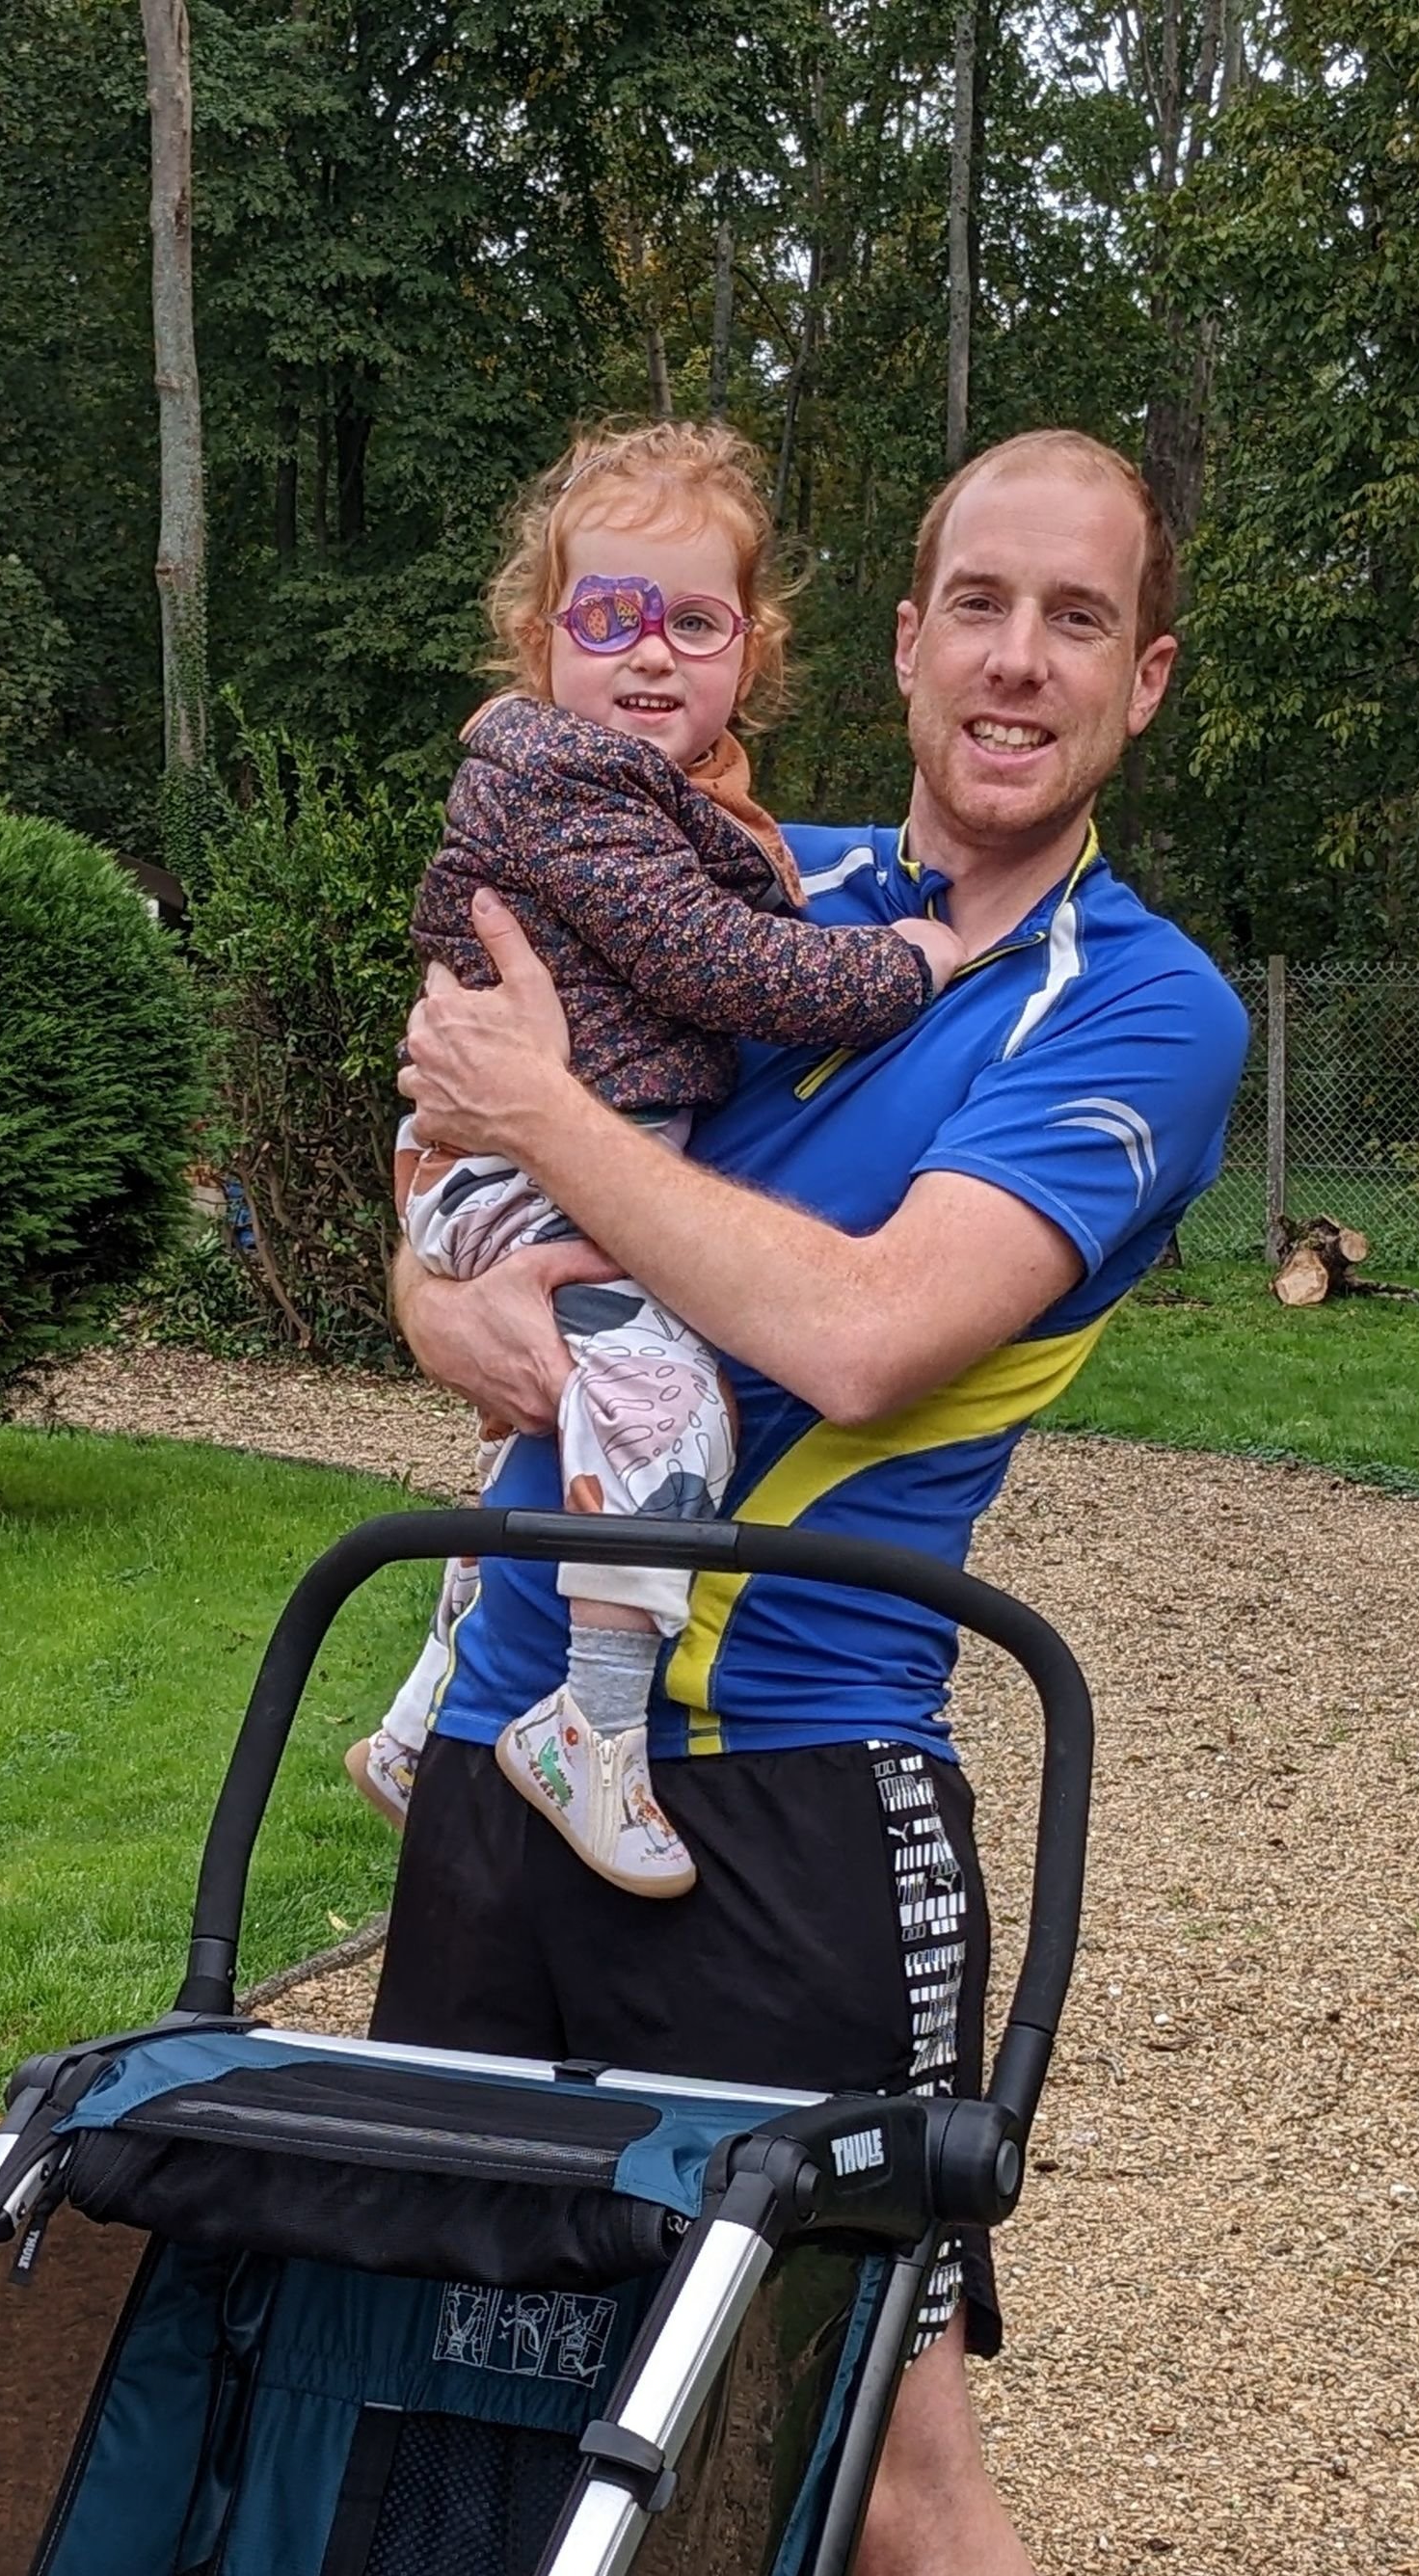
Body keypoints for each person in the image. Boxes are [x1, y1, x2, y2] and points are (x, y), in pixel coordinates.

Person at [383, 426, 1253, 2576]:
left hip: (785, 1783)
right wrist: (461, 1233)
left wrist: (551, 1145)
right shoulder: (747, 876)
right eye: (977, 600)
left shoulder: (1137, 1008)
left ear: (1141, 678)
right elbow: (444, 1257)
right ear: (895, 636)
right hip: (504, 1736)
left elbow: (863, 1325)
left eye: (1075, 620)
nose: (1013, 658)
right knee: (449, 2381)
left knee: (877, 2455)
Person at [351, 419, 963, 1896]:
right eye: (605, 616)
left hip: (533, 1161)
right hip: (527, 1173)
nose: (645, 654)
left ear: (749, 649)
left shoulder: (686, 805)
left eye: (689, 621)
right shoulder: (577, 791)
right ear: (537, 638)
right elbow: (733, 968)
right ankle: (593, 1728)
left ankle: (419, 1713)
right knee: (665, 1409)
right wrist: (908, 961)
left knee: (559, 1433)